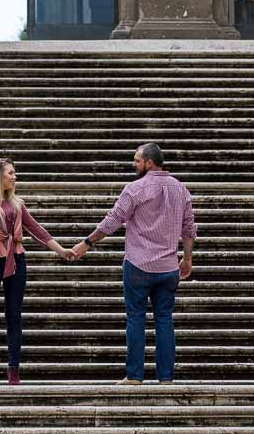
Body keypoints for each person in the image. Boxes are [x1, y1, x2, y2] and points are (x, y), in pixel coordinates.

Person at [72, 143, 197, 385]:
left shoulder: (135, 188)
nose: (134, 164)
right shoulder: (181, 189)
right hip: (168, 266)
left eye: (137, 160)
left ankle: (135, 376)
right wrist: (187, 258)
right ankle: (166, 377)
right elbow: (189, 227)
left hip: (138, 264)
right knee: (164, 320)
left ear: (149, 163)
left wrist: (87, 242)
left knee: (136, 319)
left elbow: (113, 220)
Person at [0, 156, 76, 385]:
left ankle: (14, 370)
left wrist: (61, 251)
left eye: (14, 173)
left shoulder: (17, 203)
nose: (15, 177)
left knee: (14, 316)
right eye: (11, 173)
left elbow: (35, 229)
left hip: (17, 259)